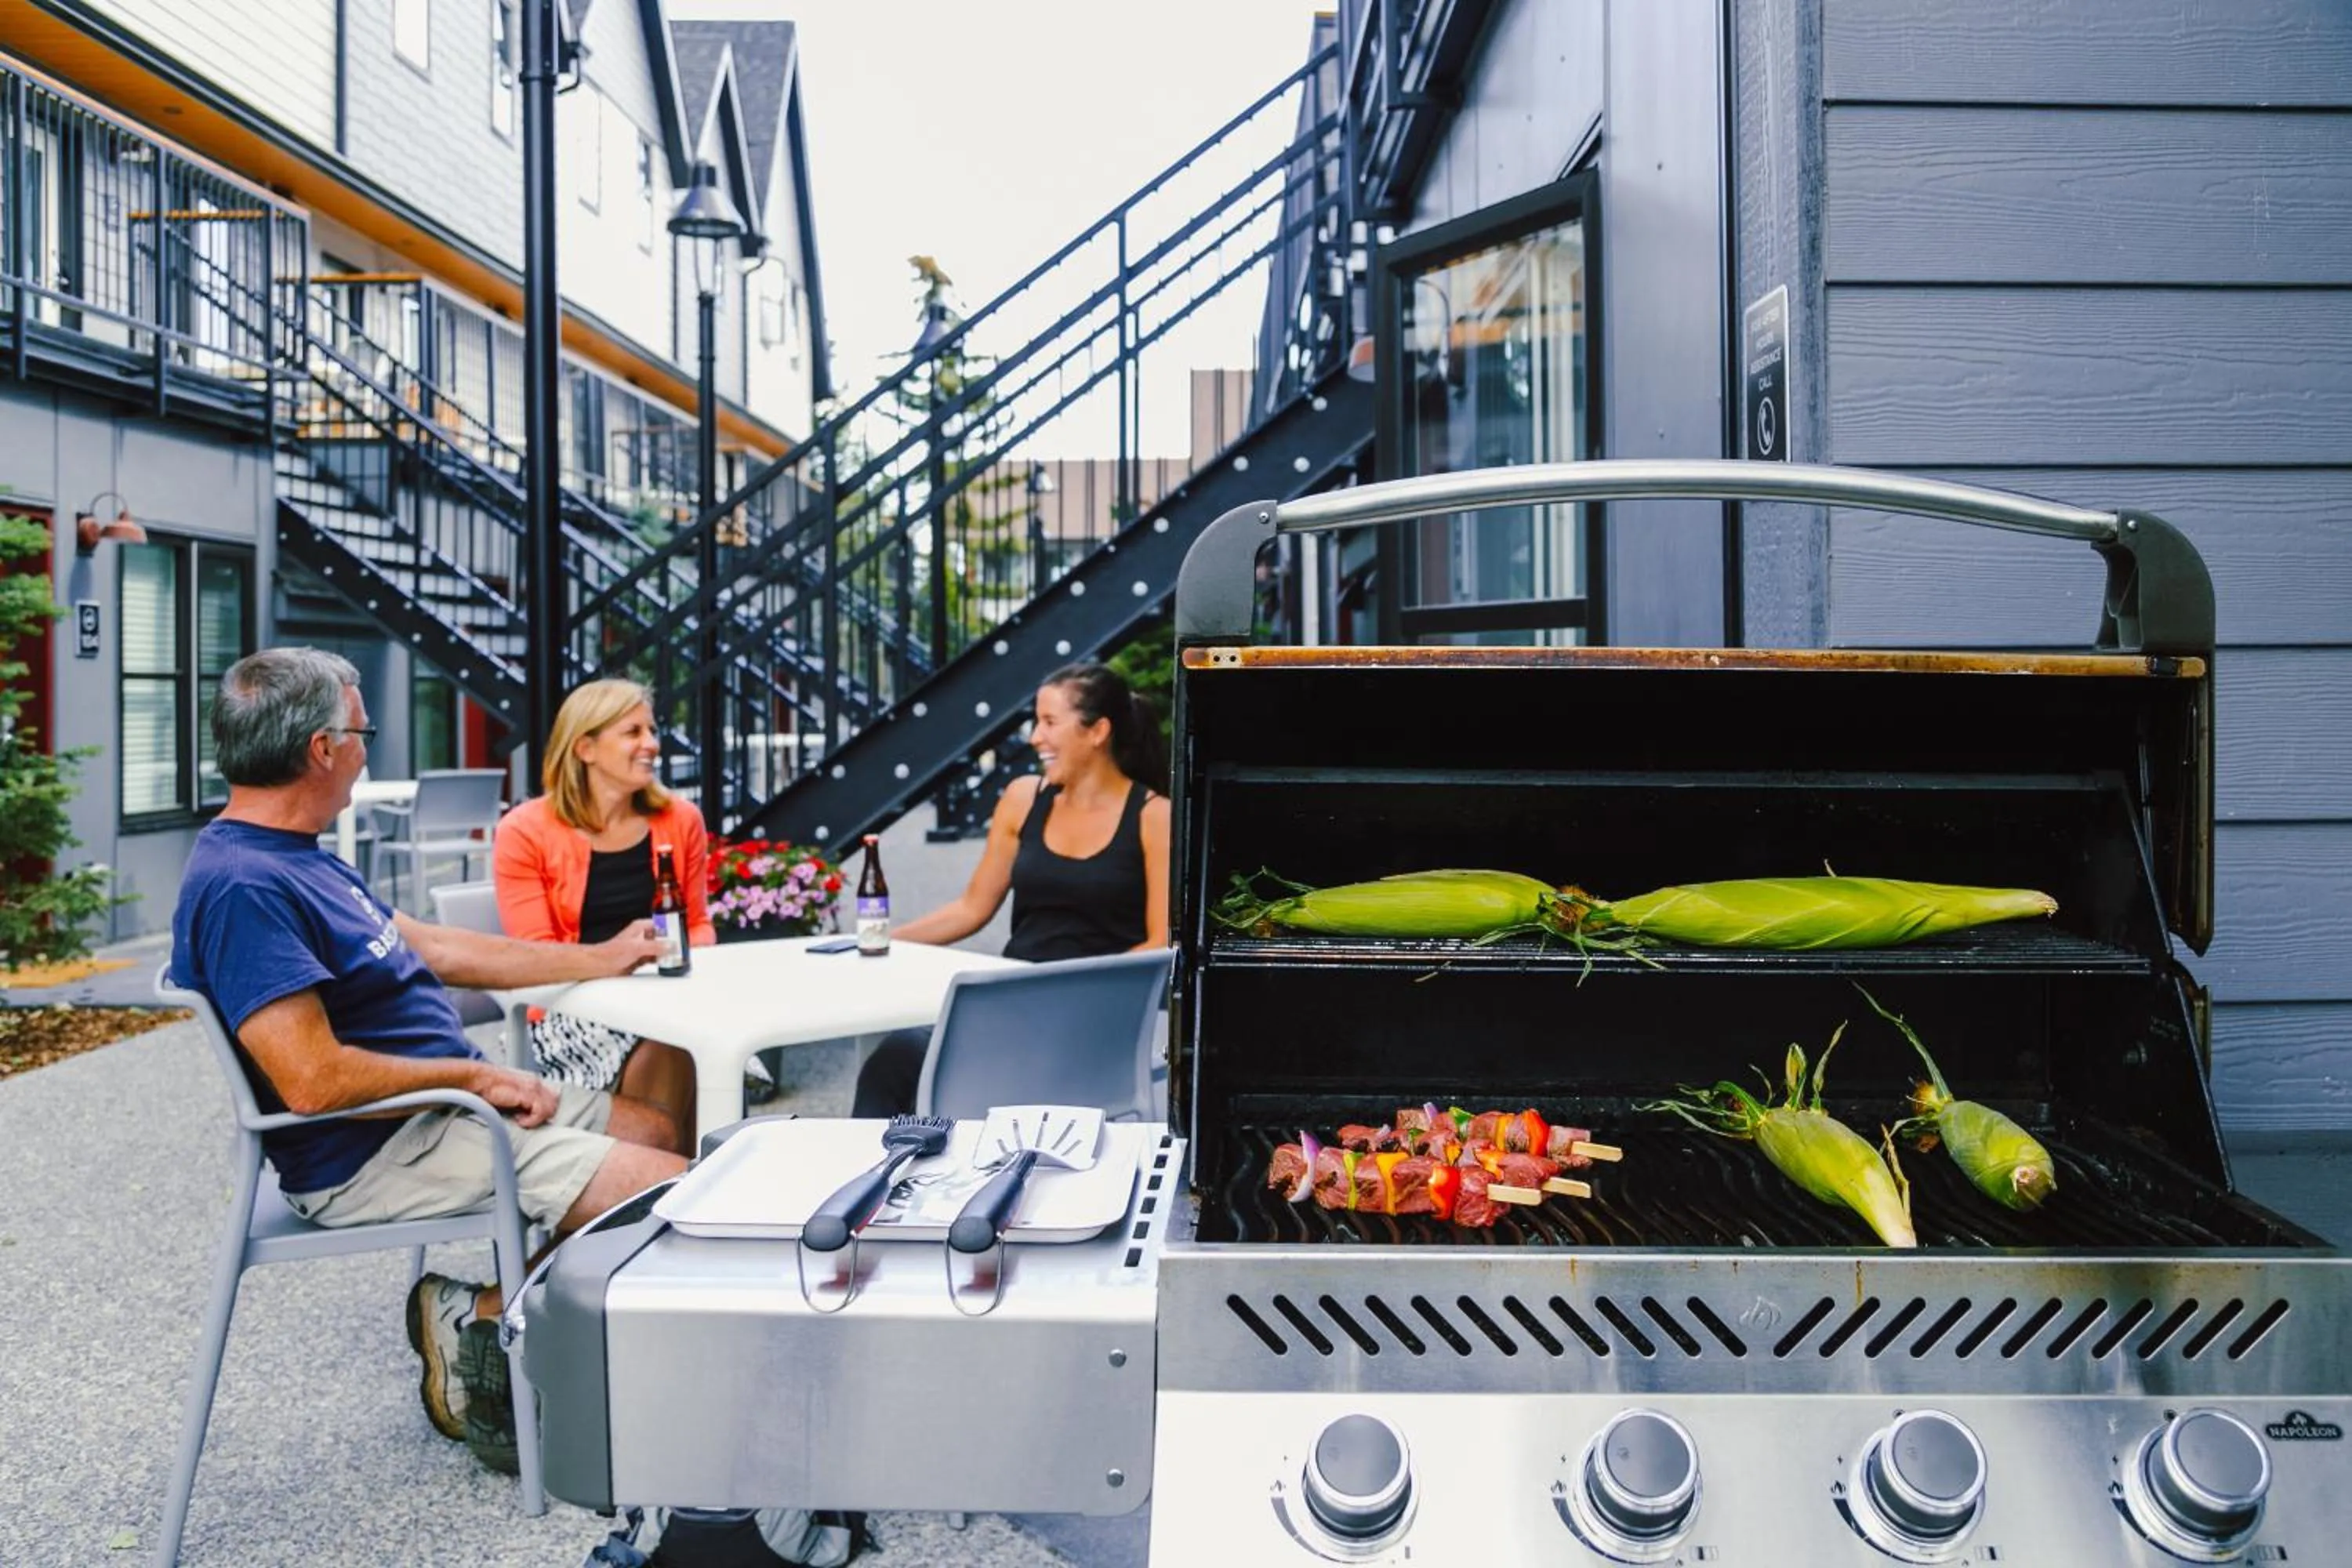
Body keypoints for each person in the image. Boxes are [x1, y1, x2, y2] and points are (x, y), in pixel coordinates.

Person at [169, 648, 689, 1467]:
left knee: (662, 1129)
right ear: (320, 749)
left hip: (441, 1111)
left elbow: (440, 946)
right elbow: (312, 1081)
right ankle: (508, 1328)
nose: (368, 748)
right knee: (674, 1190)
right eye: (362, 730)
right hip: (373, 1150)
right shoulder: (246, 886)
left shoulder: (300, 854)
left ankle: (506, 1319)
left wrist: (599, 955)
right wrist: (476, 1076)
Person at [851, 662, 1171, 1116]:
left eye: (1049, 722)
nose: (1034, 737)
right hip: (1015, 1006)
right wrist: (876, 940)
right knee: (895, 1059)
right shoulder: (1023, 798)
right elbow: (971, 908)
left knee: (914, 1059)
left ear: (1097, 732)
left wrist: (1073, 991)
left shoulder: (1155, 816)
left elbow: (1159, 943)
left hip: (1096, 1021)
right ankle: (876, 1184)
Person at [492, 678, 706, 1152]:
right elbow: (537, 957)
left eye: (652, 730)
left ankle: (648, 1195)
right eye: (632, 732)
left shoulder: (681, 819)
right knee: (678, 1044)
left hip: (666, 1001)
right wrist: (617, 957)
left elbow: (698, 926)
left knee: (685, 1036)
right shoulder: (525, 831)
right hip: (566, 1011)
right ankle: (659, 1189)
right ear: (585, 747)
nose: (651, 744)